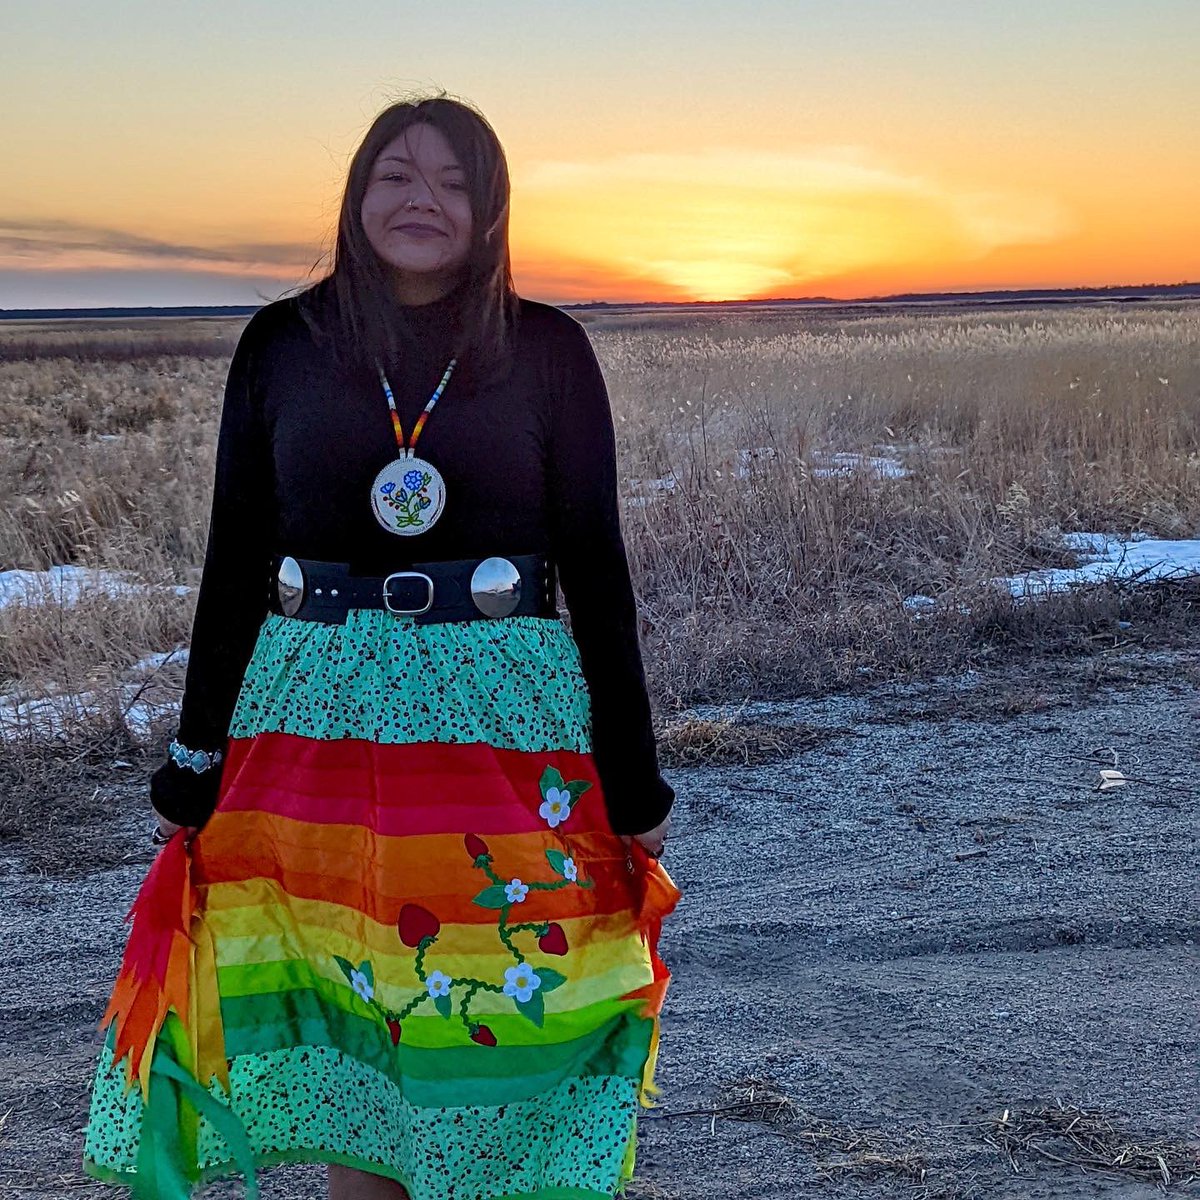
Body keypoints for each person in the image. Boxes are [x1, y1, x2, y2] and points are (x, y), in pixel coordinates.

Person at [80, 93, 679, 1200]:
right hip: (313, 715)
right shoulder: (281, 345)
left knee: (496, 991)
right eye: (398, 175)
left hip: (502, 716)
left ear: (491, 212)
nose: (424, 200)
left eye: (455, 182)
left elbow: (597, 565)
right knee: (357, 1006)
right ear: (357, 196)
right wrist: (197, 752)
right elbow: (234, 563)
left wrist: (630, 768)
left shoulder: (549, 350)